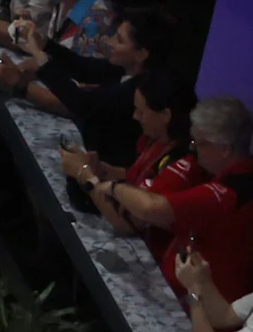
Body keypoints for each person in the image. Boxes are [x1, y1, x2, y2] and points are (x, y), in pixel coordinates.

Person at [100, 92, 253, 301]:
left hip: (202, 312)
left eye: (199, 143)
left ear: (225, 149)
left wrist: (112, 187)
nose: (193, 149)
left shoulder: (229, 194)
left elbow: (150, 208)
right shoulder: (233, 176)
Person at [0, 1, 176, 163]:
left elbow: (84, 105)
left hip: (108, 162)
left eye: (120, 40)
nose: (110, 41)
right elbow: (83, 68)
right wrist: (44, 43)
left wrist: (40, 57)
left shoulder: (138, 90)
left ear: (141, 54)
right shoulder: (124, 68)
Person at [60, 63, 198, 256]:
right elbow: (134, 176)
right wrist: (101, 168)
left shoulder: (181, 165)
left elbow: (126, 223)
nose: (135, 117)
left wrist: (85, 175)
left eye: (141, 111)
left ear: (165, 115)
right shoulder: (155, 139)